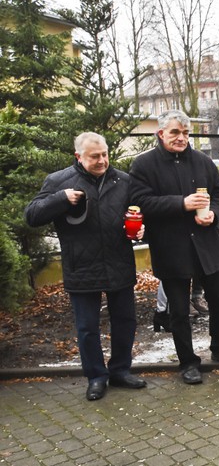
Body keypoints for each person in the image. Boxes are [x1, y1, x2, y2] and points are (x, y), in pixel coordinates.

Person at [24, 132, 147, 400]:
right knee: (88, 327)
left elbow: (139, 213)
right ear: (78, 156)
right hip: (82, 267)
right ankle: (96, 377)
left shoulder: (123, 181)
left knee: (125, 321)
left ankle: (120, 371)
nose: (102, 160)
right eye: (95, 156)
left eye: (105, 154)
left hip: (119, 263)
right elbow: (32, 216)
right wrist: (60, 199)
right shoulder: (59, 181)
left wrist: (141, 231)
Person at [129, 110, 219, 385]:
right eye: (175, 132)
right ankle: (188, 362)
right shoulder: (144, 165)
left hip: (207, 244)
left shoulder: (203, 161)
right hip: (171, 247)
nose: (181, 138)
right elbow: (141, 201)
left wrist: (215, 212)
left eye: (186, 133)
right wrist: (181, 204)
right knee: (178, 310)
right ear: (161, 133)